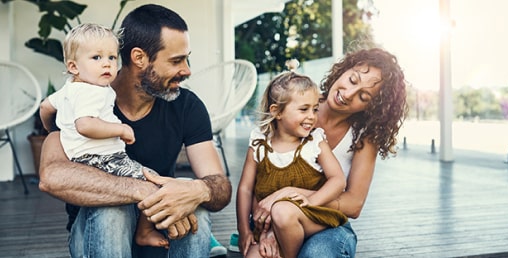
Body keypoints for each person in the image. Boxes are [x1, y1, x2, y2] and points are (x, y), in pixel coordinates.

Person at [38, 4, 232, 258]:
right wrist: (141, 189)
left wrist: (199, 190)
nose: (187, 70)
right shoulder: (79, 98)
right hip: (97, 237)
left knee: (191, 200)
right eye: (176, 60)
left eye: (187, 58)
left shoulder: (187, 105)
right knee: (114, 209)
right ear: (139, 58)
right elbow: (51, 176)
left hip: (157, 233)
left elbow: (219, 185)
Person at [250, 47, 408, 258]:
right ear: (343, 70)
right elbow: (254, 178)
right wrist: (265, 230)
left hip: (328, 225)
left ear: (371, 107)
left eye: (363, 96)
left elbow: (354, 204)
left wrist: (290, 195)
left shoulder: (363, 137)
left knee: (317, 254)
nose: (348, 94)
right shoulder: (295, 103)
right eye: (352, 80)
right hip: (274, 217)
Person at [39, 22, 170, 249]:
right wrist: (121, 129)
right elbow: (85, 125)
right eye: (97, 58)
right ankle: (144, 231)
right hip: (103, 159)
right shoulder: (93, 92)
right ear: (73, 66)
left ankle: (143, 230)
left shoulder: (69, 88)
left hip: (83, 160)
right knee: (154, 181)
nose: (107, 64)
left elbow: (45, 108)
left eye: (111, 57)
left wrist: (54, 131)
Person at [236, 71, 348, 258]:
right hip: (269, 225)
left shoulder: (314, 142)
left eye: (314, 109)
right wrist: (244, 229)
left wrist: (311, 202)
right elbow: (246, 189)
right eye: (304, 109)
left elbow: (338, 180)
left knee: (282, 210)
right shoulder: (259, 143)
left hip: (312, 217)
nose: (312, 116)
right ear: (277, 112)